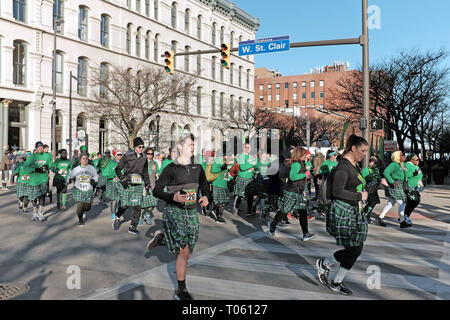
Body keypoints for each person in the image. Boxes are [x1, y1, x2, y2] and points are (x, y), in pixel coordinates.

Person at [147, 133, 210, 300]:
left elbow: (204, 183)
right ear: (180, 147)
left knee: (188, 250)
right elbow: (157, 190)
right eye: (189, 144)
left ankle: (163, 238)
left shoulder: (197, 166)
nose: (192, 148)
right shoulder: (170, 168)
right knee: (184, 251)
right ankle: (181, 291)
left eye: (193, 145)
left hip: (191, 211)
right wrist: (172, 197)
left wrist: (206, 196)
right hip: (174, 210)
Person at [316, 134, 369, 296]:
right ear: (353, 148)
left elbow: (354, 185)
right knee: (354, 249)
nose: (365, 154)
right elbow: (337, 191)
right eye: (363, 150)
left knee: (355, 249)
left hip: (352, 210)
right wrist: (360, 196)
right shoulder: (343, 167)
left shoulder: (353, 165)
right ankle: (327, 268)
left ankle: (332, 275)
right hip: (342, 211)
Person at [268, 147, 316, 241]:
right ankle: (272, 225)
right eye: (304, 154)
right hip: (292, 191)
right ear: (300, 155)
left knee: (302, 212)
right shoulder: (296, 164)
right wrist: (304, 175)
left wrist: (307, 176)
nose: (306, 155)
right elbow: (293, 177)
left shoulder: (302, 163)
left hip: (299, 191)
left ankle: (305, 234)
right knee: (284, 210)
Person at [113, 137, 151, 235]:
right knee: (124, 206)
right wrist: (123, 179)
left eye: (143, 147)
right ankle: (117, 217)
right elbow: (117, 169)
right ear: (135, 147)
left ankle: (132, 226)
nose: (141, 149)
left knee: (138, 206)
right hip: (128, 184)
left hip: (138, 185)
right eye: (139, 147)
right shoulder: (127, 156)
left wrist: (147, 184)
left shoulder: (144, 158)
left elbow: (145, 172)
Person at [376, 151, 410, 228]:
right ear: (397, 156)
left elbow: (405, 174)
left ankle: (381, 217)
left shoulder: (402, 164)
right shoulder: (394, 164)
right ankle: (402, 222)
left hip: (400, 185)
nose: (404, 156)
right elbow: (386, 172)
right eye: (402, 155)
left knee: (390, 203)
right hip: (395, 185)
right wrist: (392, 181)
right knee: (403, 203)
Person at [23, 141, 54, 222]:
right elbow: (25, 168)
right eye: (38, 147)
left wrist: (56, 170)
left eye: (41, 147)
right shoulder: (31, 157)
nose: (40, 148)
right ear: (36, 148)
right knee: (34, 197)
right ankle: (34, 211)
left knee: (42, 196)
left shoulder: (48, 155)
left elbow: (51, 165)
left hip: (43, 179)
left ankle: (40, 212)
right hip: (33, 181)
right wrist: (36, 169)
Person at [67, 153, 99, 226]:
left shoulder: (91, 168)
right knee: (80, 205)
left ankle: (83, 211)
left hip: (88, 189)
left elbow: (96, 176)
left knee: (88, 208)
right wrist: (69, 180)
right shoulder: (76, 169)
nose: (85, 160)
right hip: (78, 189)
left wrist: (94, 180)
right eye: (83, 159)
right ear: (80, 160)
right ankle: (80, 220)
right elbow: (69, 177)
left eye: (86, 159)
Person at [233, 142, 257, 216]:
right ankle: (236, 208)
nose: (247, 149)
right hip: (242, 178)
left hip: (249, 178)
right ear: (243, 148)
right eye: (245, 147)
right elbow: (242, 167)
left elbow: (255, 165)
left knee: (250, 195)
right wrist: (252, 164)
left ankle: (249, 211)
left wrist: (254, 169)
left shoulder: (251, 156)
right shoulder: (241, 156)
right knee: (239, 195)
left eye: (248, 147)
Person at [209, 152, 234, 224]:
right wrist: (222, 167)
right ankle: (218, 216)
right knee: (222, 200)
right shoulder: (218, 160)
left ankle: (213, 211)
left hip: (224, 184)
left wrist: (230, 178)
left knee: (227, 200)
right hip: (218, 183)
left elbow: (226, 173)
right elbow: (213, 170)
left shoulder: (227, 161)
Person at [140, 147, 159, 225]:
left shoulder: (155, 163)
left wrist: (158, 174)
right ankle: (139, 217)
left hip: (152, 185)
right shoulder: (141, 162)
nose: (150, 155)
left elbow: (157, 172)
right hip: (143, 185)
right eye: (148, 154)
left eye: (152, 154)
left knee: (153, 203)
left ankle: (147, 214)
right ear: (145, 154)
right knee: (142, 204)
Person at [102, 149, 123, 220]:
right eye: (118, 155)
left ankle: (116, 209)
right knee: (114, 199)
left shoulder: (123, 163)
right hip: (112, 183)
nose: (120, 156)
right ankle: (114, 214)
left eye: (121, 155)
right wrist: (112, 176)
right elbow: (105, 173)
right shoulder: (110, 163)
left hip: (120, 184)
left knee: (119, 199)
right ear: (115, 155)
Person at [361, 156, 381, 224]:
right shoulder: (366, 170)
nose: (374, 163)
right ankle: (365, 215)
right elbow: (361, 179)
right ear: (369, 163)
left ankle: (366, 214)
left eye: (375, 162)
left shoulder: (377, 170)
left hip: (374, 188)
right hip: (368, 188)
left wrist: (379, 184)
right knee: (369, 202)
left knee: (373, 202)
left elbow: (379, 178)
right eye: (372, 162)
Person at [404, 154, 424, 224]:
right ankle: (405, 216)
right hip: (409, 186)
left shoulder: (416, 166)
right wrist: (413, 174)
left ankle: (405, 215)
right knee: (413, 201)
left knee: (414, 201)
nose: (418, 161)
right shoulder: (406, 165)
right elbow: (404, 174)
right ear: (411, 160)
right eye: (417, 160)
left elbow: (420, 175)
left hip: (416, 187)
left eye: (418, 159)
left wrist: (420, 182)